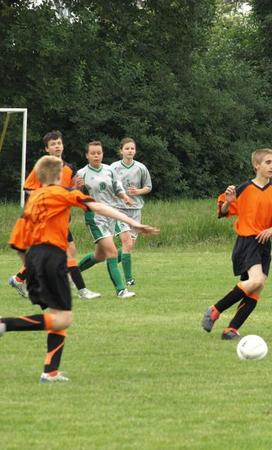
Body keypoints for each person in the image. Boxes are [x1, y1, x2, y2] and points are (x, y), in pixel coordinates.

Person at [0, 155, 158, 383]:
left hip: (34, 260)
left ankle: (50, 371)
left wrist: (31, 267)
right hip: (52, 258)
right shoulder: (62, 193)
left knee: (57, 314)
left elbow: (17, 242)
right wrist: (132, 222)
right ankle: (6, 323)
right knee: (62, 319)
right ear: (59, 175)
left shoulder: (32, 201)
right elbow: (97, 206)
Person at [202, 149, 272, 340]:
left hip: (264, 244)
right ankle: (215, 309)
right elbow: (223, 212)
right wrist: (228, 202)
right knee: (256, 281)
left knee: (256, 288)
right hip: (247, 242)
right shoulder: (243, 188)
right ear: (256, 165)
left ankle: (231, 329)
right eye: (267, 162)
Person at [8, 130, 101, 300]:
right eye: (53, 144)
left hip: (61, 218)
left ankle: (19, 278)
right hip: (45, 218)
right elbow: (28, 188)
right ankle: (81, 289)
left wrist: (78, 187)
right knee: (67, 252)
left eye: (59, 143)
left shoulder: (69, 168)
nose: (57, 146)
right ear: (46, 149)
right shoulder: (42, 167)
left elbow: (71, 192)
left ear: (63, 145)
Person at [76, 141, 137, 298]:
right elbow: (74, 196)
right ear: (87, 155)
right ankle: (121, 290)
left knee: (99, 256)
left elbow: (117, 188)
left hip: (112, 214)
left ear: (102, 154)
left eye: (99, 153)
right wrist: (78, 188)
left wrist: (125, 197)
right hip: (95, 217)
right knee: (112, 252)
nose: (96, 156)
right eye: (93, 153)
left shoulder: (109, 170)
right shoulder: (81, 174)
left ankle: (71, 273)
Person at [110, 137, 152, 287]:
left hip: (135, 211)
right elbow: (108, 185)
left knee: (128, 247)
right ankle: (129, 279)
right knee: (127, 243)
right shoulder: (113, 167)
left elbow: (148, 187)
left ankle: (110, 261)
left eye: (132, 148)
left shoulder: (141, 168)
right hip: (119, 210)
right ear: (121, 150)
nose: (130, 151)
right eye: (127, 148)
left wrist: (138, 191)